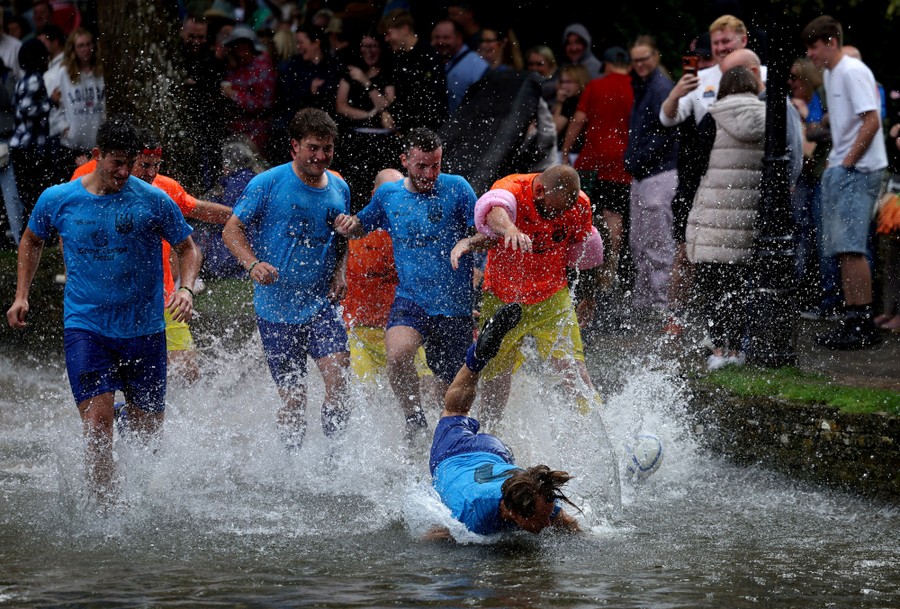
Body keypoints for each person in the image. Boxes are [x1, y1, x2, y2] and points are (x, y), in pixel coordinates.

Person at [6, 117, 200, 504]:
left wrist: (186, 288)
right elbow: (31, 240)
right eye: (117, 162)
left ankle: (137, 485)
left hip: (144, 330)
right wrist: (21, 294)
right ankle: (105, 512)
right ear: (97, 156)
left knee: (148, 437)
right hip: (87, 327)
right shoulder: (58, 198)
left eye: (131, 163)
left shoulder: (152, 199)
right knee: (97, 425)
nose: (124, 172)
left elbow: (188, 247)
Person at [334, 128, 477, 438]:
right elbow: (362, 226)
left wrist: (466, 243)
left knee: (447, 393)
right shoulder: (389, 194)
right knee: (398, 355)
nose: (429, 174)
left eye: (435, 165)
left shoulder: (458, 189)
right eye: (421, 166)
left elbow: (485, 234)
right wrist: (349, 225)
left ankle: (448, 439)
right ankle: (413, 420)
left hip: (454, 307)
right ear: (405, 161)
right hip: (411, 298)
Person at [222, 108, 352, 449]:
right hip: (275, 311)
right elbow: (232, 229)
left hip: (320, 305)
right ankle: (292, 462)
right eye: (313, 147)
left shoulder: (339, 186)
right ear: (294, 146)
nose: (321, 156)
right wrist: (252, 265)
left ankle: (335, 457)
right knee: (294, 401)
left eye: (327, 149)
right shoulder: (267, 183)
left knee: (338, 382)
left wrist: (340, 273)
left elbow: (342, 238)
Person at [69, 129, 234, 382]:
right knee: (113, 377)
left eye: (156, 165)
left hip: (162, 296)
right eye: (145, 165)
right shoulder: (87, 179)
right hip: (104, 302)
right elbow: (65, 229)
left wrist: (244, 217)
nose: (151, 173)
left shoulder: (163, 190)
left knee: (188, 374)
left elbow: (197, 210)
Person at [457, 164, 604, 425]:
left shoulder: (578, 204)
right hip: (503, 298)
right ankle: (490, 435)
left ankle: (600, 430)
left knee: (574, 369)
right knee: (495, 376)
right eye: (554, 209)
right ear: (539, 192)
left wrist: (588, 296)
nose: (558, 216)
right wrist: (510, 229)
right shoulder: (511, 188)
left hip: (551, 298)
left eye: (564, 211)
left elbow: (586, 253)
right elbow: (493, 213)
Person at [426, 302, 581, 539]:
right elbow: (436, 535)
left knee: (455, 411)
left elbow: (567, 524)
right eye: (540, 520)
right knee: (454, 410)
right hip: (462, 455)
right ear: (513, 514)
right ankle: (477, 356)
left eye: (547, 515)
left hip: (488, 453)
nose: (548, 523)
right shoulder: (473, 516)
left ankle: (477, 359)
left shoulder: (535, 494)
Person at [803, 16, 888, 350]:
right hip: (844, 168)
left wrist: (848, 161)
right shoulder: (833, 74)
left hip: (858, 169)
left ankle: (862, 324)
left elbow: (872, 119)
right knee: (843, 249)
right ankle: (852, 319)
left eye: (813, 46)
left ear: (831, 42)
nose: (810, 54)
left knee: (852, 248)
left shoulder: (852, 71)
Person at [685, 66, 766, 370]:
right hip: (749, 214)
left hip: (714, 217)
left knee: (714, 288)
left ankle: (718, 350)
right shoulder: (768, 117)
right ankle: (737, 351)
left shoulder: (713, 116)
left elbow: (694, 165)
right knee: (740, 287)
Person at [561, 47, 634, 306]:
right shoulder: (635, 86)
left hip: (591, 162)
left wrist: (566, 150)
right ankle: (609, 276)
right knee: (615, 218)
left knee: (585, 215)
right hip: (623, 163)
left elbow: (579, 120)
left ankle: (582, 274)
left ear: (605, 64)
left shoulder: (595, 86)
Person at [624, 35, 678, 317]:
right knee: (640, 242)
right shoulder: (646, 86)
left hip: (658, 174)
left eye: (645, 58)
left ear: (656, 56)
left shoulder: (659, 87)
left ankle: (660, 304)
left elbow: (666, 133)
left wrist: (636, 159)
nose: (640, 64)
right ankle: (646, 301)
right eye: (635, 60)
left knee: (656, 242)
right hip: (645, 174)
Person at [333, 30, 398, 210]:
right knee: (355, 188)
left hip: (382, 140)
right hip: (356, 140)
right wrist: (368, 115)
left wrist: (366, 82)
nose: (369, 51)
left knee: (382, 187)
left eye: (373, 46)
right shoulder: (350, 71)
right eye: (365, 46)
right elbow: (341, 105)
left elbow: (386, 104)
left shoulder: (388, 72)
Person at [378, 9, 447, 135]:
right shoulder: (399, 57)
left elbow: (430, 99)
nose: (387, 39)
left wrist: (399, 119)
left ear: (404, 29)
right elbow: (402, 96)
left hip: (428, 131)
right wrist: (388, 112)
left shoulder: (428, 55)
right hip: (407, 131)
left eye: (388, 33)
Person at [9, 38, 52, 226]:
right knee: (34, 193)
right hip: (29, 146)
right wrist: (50, 103)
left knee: (30, 194)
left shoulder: (23, 80)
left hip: (25, 146)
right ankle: (36, 231)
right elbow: (26, 110)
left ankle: (35, 230)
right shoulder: (35, 79)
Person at [220, 24, 275, 159]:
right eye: (237, 45)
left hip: (256, 133)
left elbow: (264, 104)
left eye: (244, 45)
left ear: (252, 45)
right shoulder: (234, 66)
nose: (240, 49)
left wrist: (234, 95)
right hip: (234, 130)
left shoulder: (263, 67)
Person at [57, 27, 105, 168]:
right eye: (81, 45)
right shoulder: (64, 73)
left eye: (89, 44)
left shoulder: (101, 71)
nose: (86, 49)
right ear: (73, 49)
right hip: (73, 144)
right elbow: (55, 104)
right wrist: (65, 128)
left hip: (98, 141)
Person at [430, 18, 487, 114]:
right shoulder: (436, 61)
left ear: (459, 38)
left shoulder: (476, 66)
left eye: (446, 37)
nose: (440, 42)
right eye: (437, 37)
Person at [552, 64, 589, 163]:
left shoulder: (571, 102)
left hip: (568, 155)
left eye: (569, 82)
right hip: (577, 154)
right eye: (562, 82)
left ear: (579, 82)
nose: (564, 86)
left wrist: (560, 104)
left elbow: (553, 129)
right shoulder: (584, 100)